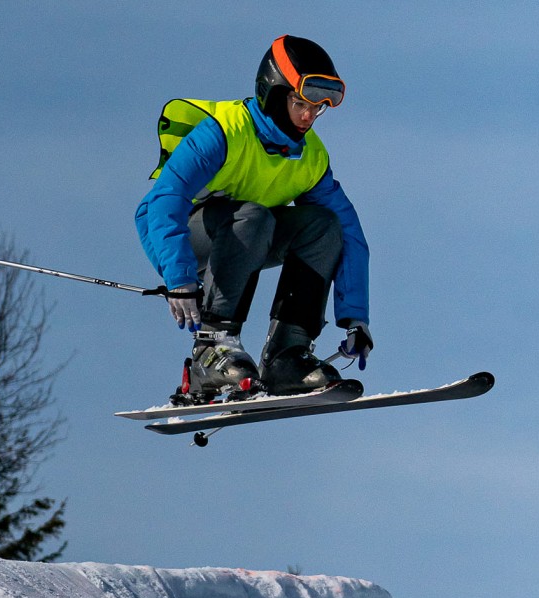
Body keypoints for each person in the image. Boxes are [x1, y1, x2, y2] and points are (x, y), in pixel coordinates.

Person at [135, 34, 372, 398]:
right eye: (300, 103)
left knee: (324, 226)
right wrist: (179, 277)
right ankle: (212, 349)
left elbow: (349, 231)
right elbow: (168, 198)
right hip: (182, 234)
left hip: (247, 235)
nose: (309, 116)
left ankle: (286, 356)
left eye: (319, 107)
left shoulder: (310, 157)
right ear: (274, 93)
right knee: (255, 217)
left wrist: (356, 316)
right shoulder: (224, 132)